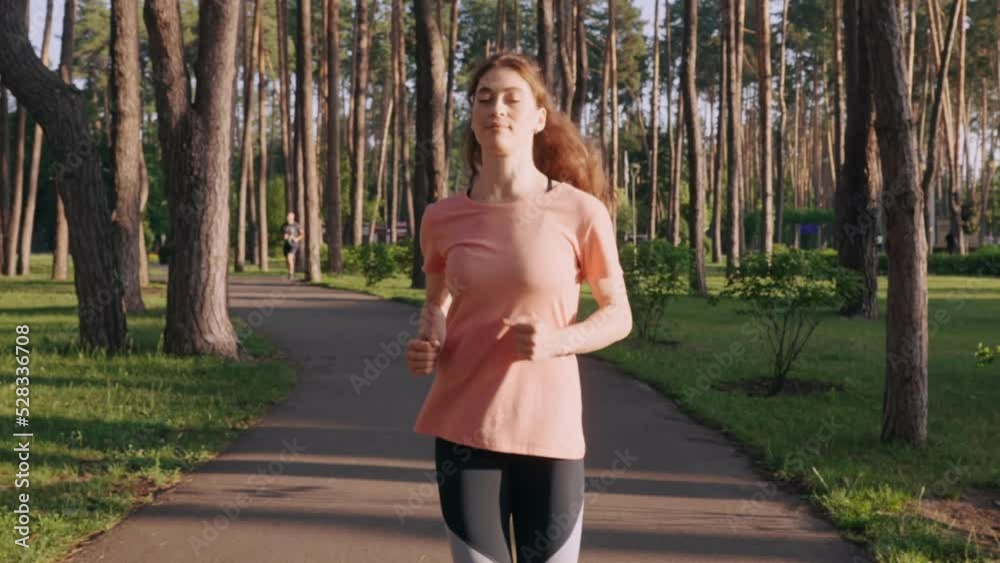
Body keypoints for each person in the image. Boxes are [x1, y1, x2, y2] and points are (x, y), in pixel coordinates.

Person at [406, 52, 633, 563]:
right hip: (465, 431)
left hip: (550, 432)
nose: (497, 109)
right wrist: (429, 342)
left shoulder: (580, 211)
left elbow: (619, 314)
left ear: (538, 117)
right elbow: (436, 304)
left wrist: (558, 341)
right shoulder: (441, 217)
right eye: (484, 99)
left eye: (512, 98)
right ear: (472, 116)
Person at [281, 212, 303, 280]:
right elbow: (281, 235)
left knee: (289, 257)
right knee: (287, 261)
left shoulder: (297, 225)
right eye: (287, 217)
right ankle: (291, 271)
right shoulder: (284, 225)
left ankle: (291, 274)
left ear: (293, 217)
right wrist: (283, 237)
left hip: (294, 244)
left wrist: (297, 239)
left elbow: (302, 234)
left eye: (289, 217)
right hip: (286, 244)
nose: (287, 218)